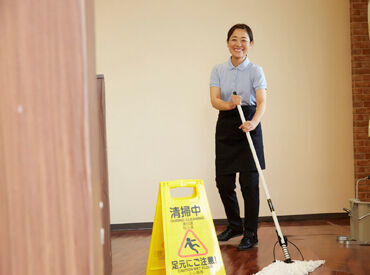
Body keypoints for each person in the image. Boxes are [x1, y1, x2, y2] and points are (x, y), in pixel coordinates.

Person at [209, 24, 267, 250]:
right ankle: (234, 225)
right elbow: (214, 100)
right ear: (227, 43)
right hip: (226, 123)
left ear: (250, 44)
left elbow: (262, 101)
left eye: (244, 40)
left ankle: (250, 233)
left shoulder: (256, 70)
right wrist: (229, 104)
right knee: (223, 182)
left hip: (249, 123)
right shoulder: (217, 69)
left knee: (249, 184)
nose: (238, 44)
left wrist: (254, 122)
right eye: (234, 39)